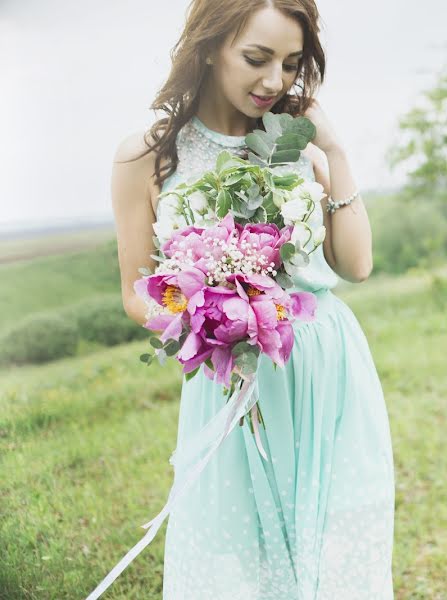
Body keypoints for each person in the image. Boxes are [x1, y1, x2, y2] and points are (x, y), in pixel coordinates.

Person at [108, 1, 395, 597]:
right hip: (226, 371)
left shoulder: (298, 146)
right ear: (210, 47)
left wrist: (335, 153)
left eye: (291, 64)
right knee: (235, 553)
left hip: (322, 363)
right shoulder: (149, 155)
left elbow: (357, 265)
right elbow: (138, 294)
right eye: (257, 59)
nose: (275, 82)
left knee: (329, 544)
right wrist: (207, 317)